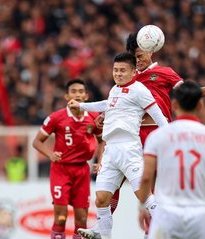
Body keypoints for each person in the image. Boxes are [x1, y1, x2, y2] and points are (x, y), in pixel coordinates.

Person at [107, 32, 205, 236]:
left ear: (151, 49)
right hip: (130, 134)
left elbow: (186, 93)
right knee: (112, 180)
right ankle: (102, 226)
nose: (138, 59)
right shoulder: (128, 75)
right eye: (134, 55)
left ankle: (150, 232)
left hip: (155, 132)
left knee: (152, 186)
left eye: (140, 54)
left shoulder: (164, 72)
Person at [68, 52, 168, 239]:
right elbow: (108, 104)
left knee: (144, 196)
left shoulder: (140, 90)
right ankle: (103, 235)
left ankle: (167, 228)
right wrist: (82, 106)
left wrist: (173, 138)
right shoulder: (115, 89)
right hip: (111, 151)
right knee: (101, 199)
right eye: (115, 70)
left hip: (129, 148)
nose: (118, 74)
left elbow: (159, 116)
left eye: (123, 70)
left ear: (133, 71)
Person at [140, 80, 205, 239]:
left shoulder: (157, 137)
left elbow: (146, 177)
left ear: (174, 105)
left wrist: (142, 207)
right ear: (200, 106)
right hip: (200, 214)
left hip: (166, 213)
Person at [32, 79, 104, 239]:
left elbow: (102, 141)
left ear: (86, 96)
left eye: (80, 92)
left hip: (82, 170)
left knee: (82, 219)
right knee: (61, 216)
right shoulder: (56, 117)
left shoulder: (94, 117)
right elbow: (37, 142)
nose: (77, 95)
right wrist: (50, 154)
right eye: (73, 91)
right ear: (67, 96)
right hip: (61, 169)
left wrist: (101, 161)